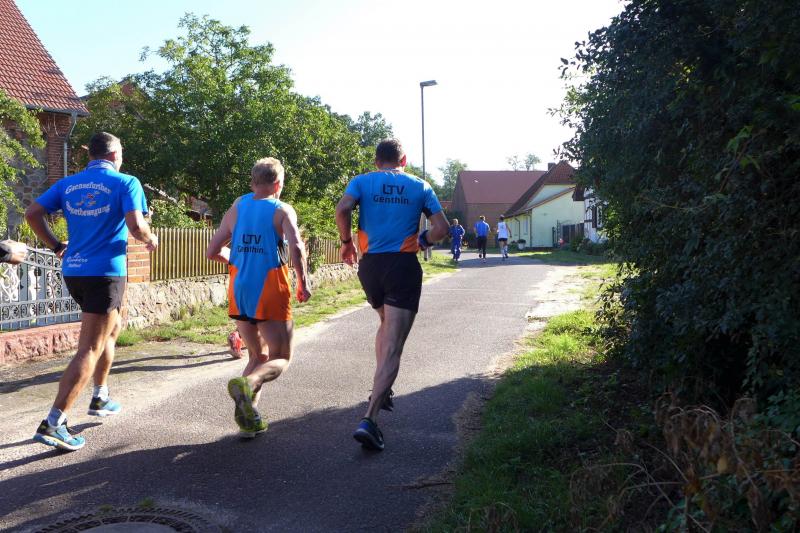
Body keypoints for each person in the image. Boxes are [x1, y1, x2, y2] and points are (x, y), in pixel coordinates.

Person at [25, 132, 158, 451]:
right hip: (105, 273)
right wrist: (150, 238)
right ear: (114, 155)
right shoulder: (127, 182)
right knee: (89, 347)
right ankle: (54, 422)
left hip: (75, 271)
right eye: (121, 152)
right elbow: (136, 225)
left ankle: (100, 396)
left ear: (91, 155)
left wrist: (55, 245)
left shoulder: (68, 184)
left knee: (113, 327)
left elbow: (32, 213)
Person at [336, 138, 449, 451]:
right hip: (402, 265)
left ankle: (382, 389)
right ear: (404, 160)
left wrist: (346, 242)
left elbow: (343, 208)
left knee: (386, 325)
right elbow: (442, 229)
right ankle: (370, 418)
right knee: (394, 344)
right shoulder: (420, 186)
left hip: (370, 267)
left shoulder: (362, 182)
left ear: (376, 161)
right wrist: (423, 241)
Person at [207, 157, 311, 438]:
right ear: (278, 184)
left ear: (253, 182)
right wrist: (303, 282)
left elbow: (212, 251)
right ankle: (248, 384)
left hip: (239, 290)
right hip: (269, 289)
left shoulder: (237, 207)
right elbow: (297, 248)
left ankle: (248, 421)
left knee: (258, 355)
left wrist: (239, 259)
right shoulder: (281, 210)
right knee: (281, 356)